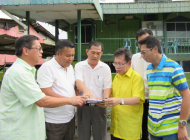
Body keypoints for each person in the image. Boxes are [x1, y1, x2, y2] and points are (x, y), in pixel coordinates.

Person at [0, 35, 86, 140]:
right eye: (38, 48)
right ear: (25, 50)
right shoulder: (19, 73)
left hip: (32, 129)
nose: (41, 51)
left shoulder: (28, 71)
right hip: (20, 132)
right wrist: (70, 100)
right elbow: (41, 100)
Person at [138, 36, 190, 140]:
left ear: (155, 49)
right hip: (153, 130)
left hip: (171, 130)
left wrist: (182, 126)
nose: (142, 55)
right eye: (141, 52)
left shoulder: (174, 67)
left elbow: (187, 96)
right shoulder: (149, 69)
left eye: (144, 52)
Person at [37, 40, 81, 140]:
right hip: (54, 120)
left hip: (69, 118)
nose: (71, 59)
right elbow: (45, 92)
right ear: (58, 54)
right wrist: (70, 100)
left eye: (73, 55)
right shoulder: (47, 68)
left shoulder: (69, 67)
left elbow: (72, 86)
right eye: (68, 55)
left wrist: (78, 97)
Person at [75, 40, 112, 140]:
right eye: (92, 52)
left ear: (101, 54)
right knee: (83, 136)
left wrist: (105, 100)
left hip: (99, 108)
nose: (95, 56)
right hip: (83, 107)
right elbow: (78, 81)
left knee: (100, 136)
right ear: (87, 51)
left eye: (98, 53)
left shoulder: (105, 68)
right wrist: (86, 91)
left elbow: (107, 87)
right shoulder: (79, 66)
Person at [106, 48, 145, 140]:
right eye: (115, 63)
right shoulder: (117, 77)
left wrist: (119, 101)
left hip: (129, 130)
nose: (117, 67)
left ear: (129, 63)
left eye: (120, 64)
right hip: (115, 128)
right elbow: (112, 95)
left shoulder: (136, 78)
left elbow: (138, 99)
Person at [131, 28, 153, 140]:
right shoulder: (134, 58)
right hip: (140, 100)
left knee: (156, 131)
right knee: (141, 130)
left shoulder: (158, 58)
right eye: (140, 42)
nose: (142, 44)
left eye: (146, 40)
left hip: (155, 100)